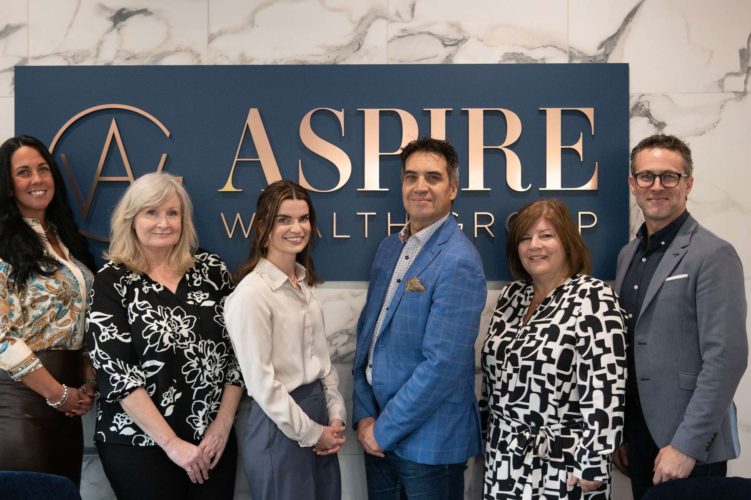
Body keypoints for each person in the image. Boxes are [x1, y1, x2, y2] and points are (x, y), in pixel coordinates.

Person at [86, 172, 243, 500]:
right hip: (137, 445)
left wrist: (222, 425)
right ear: (131, 219)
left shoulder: (211, 270)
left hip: (211, 441)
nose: (164, 222)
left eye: (172, 213)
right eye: (151, 212)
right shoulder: (111, 281)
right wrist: (172, 445)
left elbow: (238, 356)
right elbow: (118, 376)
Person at [613, 134, 748, 499]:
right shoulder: (627, 255)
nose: (657, 186)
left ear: (688, 184)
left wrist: (686, 445)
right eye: (646, 177)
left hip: (688, 444)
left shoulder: (713, 254)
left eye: (669, 176)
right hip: (639, 438)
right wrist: (624, 433)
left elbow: (726, 359)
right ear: (633, 184)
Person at [352, 137, 487, 499]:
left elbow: (442, 365)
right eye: (411, 177)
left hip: (429, 443)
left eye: (433, 177)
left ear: (453, 188)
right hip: (377, 430)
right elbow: (368, 337)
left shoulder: (458, 260)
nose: (420, 187)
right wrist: (365, 416)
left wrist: (383, 430)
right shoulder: (389, 247)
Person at [480, 199, 626, 499]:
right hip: (505, 458)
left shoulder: (593, 297)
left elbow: (607, 386)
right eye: (525, 237)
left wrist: (594, 461)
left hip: (566, 463)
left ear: (568, 241)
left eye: (546, 235)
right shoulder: (512, 297)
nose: (534, 245)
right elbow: (492, 380)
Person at [224, 179, 347, 500]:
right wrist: (312, 432)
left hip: (319, 419)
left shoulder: (305, 285)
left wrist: (335, 417)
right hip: (280, 428)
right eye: (284, 219)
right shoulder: (251, 294)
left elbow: (324, 365)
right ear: (263, 226)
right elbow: (262, 385)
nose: (297, 228)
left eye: (303, 218)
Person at [0, 135, 96, 485]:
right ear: (8, 185)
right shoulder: (1, 243)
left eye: (43, 169)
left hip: (68, 411)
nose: (37, 179)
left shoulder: (64, 238)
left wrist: (86, 377)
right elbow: (2, 337)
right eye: (23, 172)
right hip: (20, 409)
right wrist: (57, 394)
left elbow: (82, 320)